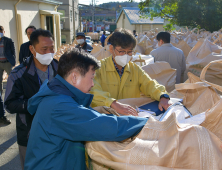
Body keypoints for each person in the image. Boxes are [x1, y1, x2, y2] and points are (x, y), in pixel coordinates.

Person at [24, 49, 148, 170]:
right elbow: (103, 126)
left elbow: (89, 116)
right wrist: (146, 122)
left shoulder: (60, 95)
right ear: (74, 77)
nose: (93, 84)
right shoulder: (59, 106)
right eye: (92, 77)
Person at [4, 28, 58, 170]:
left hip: (58, 132)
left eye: (52, 48)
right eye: (44, 49)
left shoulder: (60, 69)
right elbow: (9, 104)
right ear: (32, 49)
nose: (49, 53)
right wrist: (32, 104)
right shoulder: (18, 74)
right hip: (30, 134)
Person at [90, 28, 170, 116]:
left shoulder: (135, 69)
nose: (125, 55)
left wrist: (163, 96)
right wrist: (112, 103)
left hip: (129, 118)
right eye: (121, 51)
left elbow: (149, 85)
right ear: (111, 49)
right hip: (105, 117)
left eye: (129, 52)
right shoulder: (98, 68)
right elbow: (93, 91)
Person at [0, 26, 16, 95]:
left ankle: (14, 92)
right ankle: (0, 94)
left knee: (12, 79)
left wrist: (13, 61)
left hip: (7, 63)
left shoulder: (8, 40)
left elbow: (13, 52)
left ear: (3, 32)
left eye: (1, 32)